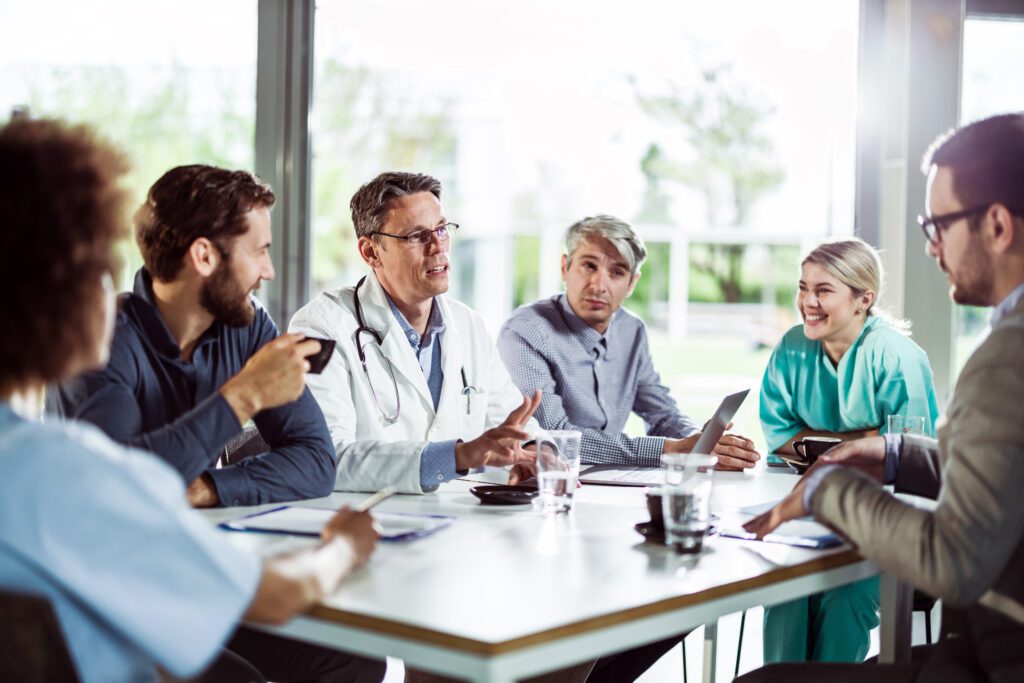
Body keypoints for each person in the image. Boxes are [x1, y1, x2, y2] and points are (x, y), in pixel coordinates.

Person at [0, 118, 383, 683]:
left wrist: (202, 487)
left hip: (127, 600)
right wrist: (345, 550)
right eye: (98, 267)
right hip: (135, 603)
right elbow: (278, 595)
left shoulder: (42, 459)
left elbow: (314, 458)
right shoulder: (61, 464)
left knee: (346, 658)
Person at [740, 113, 1024, 681]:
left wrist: (828, 486)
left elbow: (955, 560)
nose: (930, 246)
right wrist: (895, 452)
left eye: (938, 225)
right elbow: (1007, 470)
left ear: (996, 226)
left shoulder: (1005, 359)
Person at [48, 164, 336, 507]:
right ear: (203, 256)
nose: (268, 271)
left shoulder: (248, 325)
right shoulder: (100, 339)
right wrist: (243, 396)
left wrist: (208, 487)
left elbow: (317, 460)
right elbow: (113, 485)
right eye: (259, 251)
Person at [289, 172, 542, 495]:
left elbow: (514, 426)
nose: (438, 246)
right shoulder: (320, 327)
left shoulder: (469, 326)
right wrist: (458, 456)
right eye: (416, 236)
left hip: (454, 525)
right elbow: (326, 457)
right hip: (365, 526)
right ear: (370, 252)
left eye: (441, 229)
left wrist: (535, 454)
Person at [757, 237, 941, 664]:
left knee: (841, 595)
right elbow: (779, 436)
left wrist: (823, 442)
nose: (807, 301)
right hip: (810, 515)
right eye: (803, 287)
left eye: (823, 290)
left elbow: (908, 453)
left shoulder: (897, 358)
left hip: (891, 520)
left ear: (863, 300)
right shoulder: (791, 347)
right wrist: (863, 439)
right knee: (785, 588)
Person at [497, 214, 760, 471]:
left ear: (632, 283)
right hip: (534, 486)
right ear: (565, 267)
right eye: (589, 266)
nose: (599, 285)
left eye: (617, 272)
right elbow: (555, 436)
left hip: (605, 485)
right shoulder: (526, 330)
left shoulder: (631, 330)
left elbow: (662, 413)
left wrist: (701, 443)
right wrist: (671, 449)